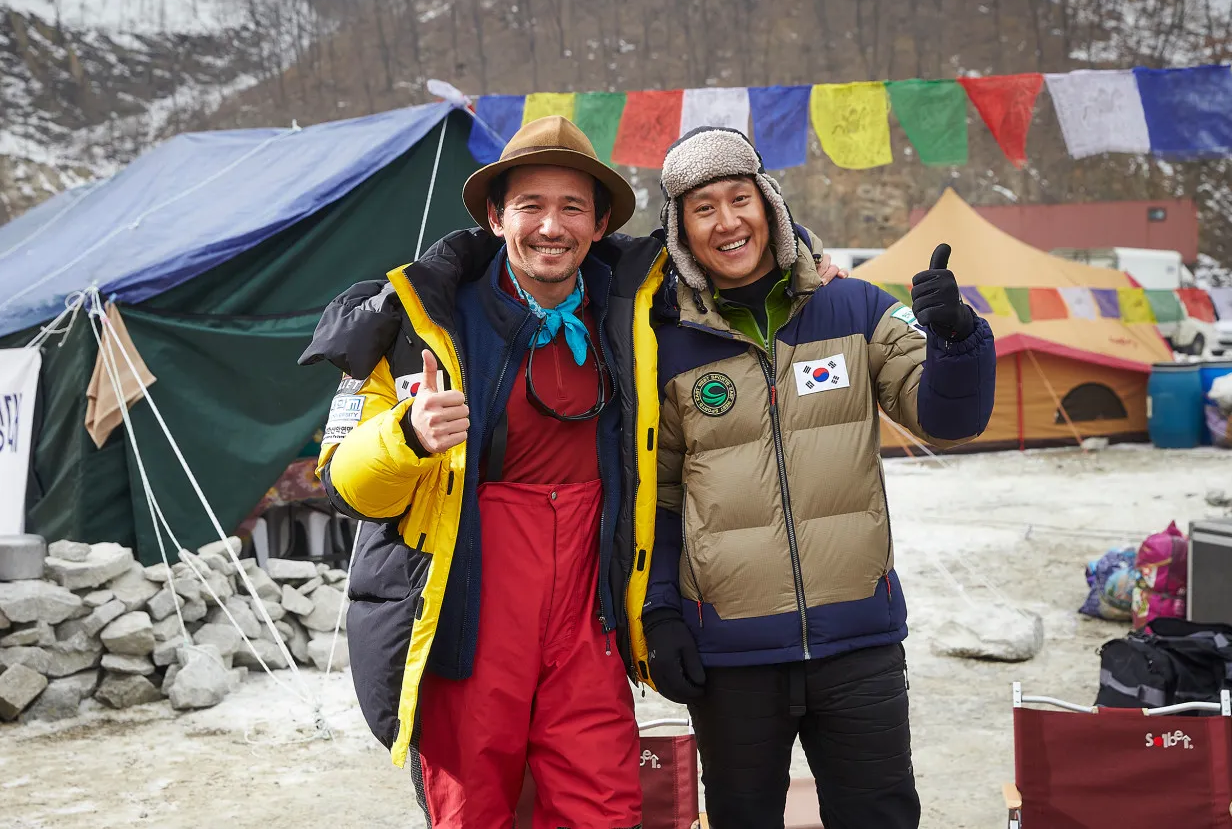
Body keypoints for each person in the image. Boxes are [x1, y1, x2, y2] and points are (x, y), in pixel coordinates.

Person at [299, 116, 843, 828]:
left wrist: (805, 262)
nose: (550, 226)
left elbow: (734, 253)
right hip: (469, 620)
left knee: (605, 809)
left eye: (572, 208)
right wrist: (405, 436)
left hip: (590, 619)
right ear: (497, 219)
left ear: (600, 224)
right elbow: (342, 483)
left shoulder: (637, 302)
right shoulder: (412, 322)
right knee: (472, 815)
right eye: (530, 206)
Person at [621, 127, 998, 829]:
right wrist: (661, 611)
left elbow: (947, 418)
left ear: (769, 205)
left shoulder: (853, 310)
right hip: (730, 652)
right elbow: (662, 496)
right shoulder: (666, 344)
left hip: (858, 641)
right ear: (681, 230)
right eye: (704, 208)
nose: (728, 221)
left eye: (741, 198)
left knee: (880, 817)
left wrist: (956, 340)